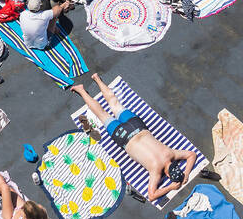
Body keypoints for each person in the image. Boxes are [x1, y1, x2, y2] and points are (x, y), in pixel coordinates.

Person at [70, 74, 198, 202]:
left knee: (114, 103)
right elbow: (152, 195)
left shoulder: (171, 153)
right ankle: (81, 90)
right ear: (168, 174)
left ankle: (97, 78)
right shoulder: (156, 170)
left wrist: (185, 173)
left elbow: (191, 154)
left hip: (136, 126)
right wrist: (170, 187)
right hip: (124, 137)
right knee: (102, 115)